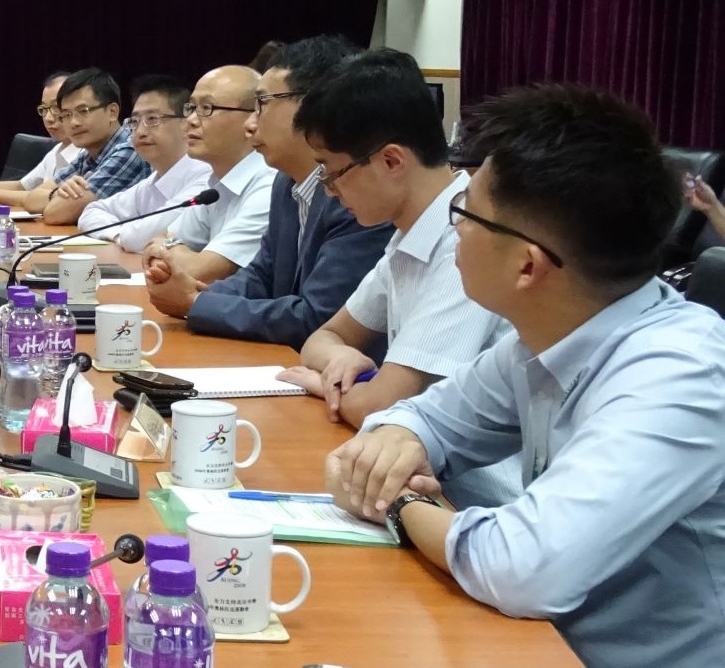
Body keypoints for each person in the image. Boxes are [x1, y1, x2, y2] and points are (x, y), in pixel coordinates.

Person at [325, 84, 725, 666]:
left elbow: (523, 569)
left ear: (527, 265)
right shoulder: (548, 337)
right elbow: (418, 418)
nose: (454, 231)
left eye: (465, 214)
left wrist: (396, 506)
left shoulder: (679, 375)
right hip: (534, 642)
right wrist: (396, 440)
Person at [280, 50, 509, 427]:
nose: (330, 191)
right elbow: (324, 337)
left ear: (391, 161)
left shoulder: (468, 240)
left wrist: (330, 387)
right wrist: (340, 358)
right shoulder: (409, 234)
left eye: (333, 173)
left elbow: (380, 405)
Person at [163, 37, 393, 346]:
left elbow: (319, 317)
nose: (250, 124)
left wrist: (195, 304)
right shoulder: (285, 183)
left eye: (262, 104)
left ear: (314, 104)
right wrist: (196, 296)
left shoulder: (356, 194)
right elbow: (261, 276)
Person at [142, 66, 274, 285]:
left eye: (207, 108)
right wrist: (172, 253)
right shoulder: (216, 184)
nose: (191, 120)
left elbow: (201, 270)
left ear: (252, 118)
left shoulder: (268, 186)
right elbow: (158, 240)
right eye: (192, 108)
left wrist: (170, 254)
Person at [76, 75, 211, 252]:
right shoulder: (153, 181)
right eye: (134, 122)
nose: (140, 132)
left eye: (152, 119)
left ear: (186, 123)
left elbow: (142, 238)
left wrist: (127, 237)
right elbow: (91, 211)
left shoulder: (206, 179)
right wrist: (118, 236)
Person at [33, 68, 152, 225]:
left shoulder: (129, 150)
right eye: (67, 115)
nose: (74, 122)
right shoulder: (88, 154)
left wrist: (54, 197)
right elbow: (32, 198)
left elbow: (55, 214)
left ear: (112, 112)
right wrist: (57, 193)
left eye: (83, 111)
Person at [0, 69, 85, 209]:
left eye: (56, 107)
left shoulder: (86, 154)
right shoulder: (57, 150)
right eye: (44, 109)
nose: (48, 118)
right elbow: (22, 186)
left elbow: (41, 197)